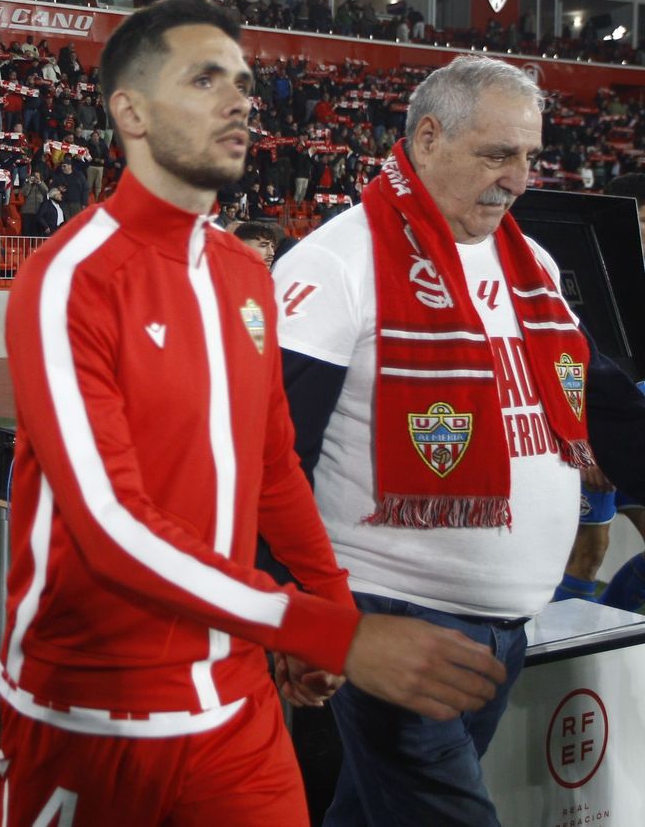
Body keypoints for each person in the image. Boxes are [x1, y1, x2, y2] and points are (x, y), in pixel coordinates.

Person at [0, 0, 509, 827]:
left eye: (242, 81)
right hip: (92, 708)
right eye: (205, 79)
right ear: (128, 111)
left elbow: (275, 468)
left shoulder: (245, 274)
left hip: (237, 701)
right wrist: (327, 631)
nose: (240, 100)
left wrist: (329, 609)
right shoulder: (67, 278)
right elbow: (108, 523)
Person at [272, 53, 645, 824]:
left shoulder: (531, 264)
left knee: (372, 813)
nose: (518, 177)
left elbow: (604, 407)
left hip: (506, 626)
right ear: (429, 137)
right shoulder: (336, 264)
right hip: (398, 623)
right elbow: (270, 456)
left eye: (531, 156)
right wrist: (293, 614)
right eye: (497, 154)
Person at [558, 171, 645, 611]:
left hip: (637, 432)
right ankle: (553, 663)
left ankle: (613, 630)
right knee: (589, 552)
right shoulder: (582, 274)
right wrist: (588, 444)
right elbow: (571, 366)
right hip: (596, 436)